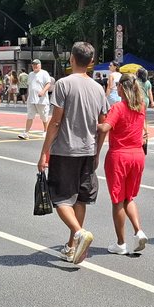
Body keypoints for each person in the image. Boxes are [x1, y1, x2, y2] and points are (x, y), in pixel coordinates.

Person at [36, 42, 109, 265]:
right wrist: (97, 151)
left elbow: (55, 121)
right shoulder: (98, 88)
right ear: (91, 62)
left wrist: (44, 152)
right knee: (79, 198)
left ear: (72, 59)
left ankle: (78, 233)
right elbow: (103, 124)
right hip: (87, 150)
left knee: (60, 198)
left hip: (65, 150)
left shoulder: (63, 84)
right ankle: (71, 246)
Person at [96, 73, 150, 255]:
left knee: (117, 200)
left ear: (122, 88)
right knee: (129, 198)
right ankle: (138, 231)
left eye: (118, 85)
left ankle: (121, 243)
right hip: (137, 156)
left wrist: (93, 122)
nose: (116, 87)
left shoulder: (118, 107)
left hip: (119, 156)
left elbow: (105, 127)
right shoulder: (141, 107)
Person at [19, 59, 54, 140]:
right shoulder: (30, 74)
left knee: (44, 116)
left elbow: (48, 84)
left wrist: (43, 91)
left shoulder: (44, 73)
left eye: (36, 65)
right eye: (33, 65)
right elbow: (29, 86)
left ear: (40, 65)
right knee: (30, 116)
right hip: (31, 99)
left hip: (41, 100)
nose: (35, 66)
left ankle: (45, 131)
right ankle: (26, 132)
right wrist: (28, 95)